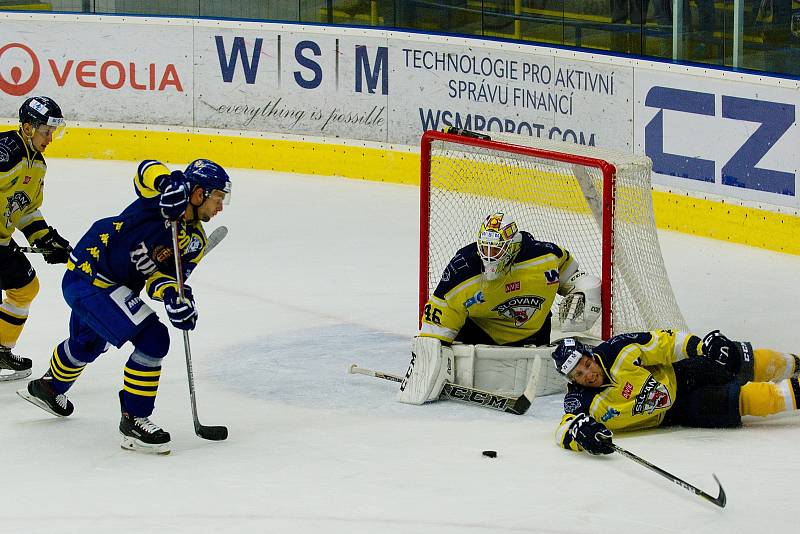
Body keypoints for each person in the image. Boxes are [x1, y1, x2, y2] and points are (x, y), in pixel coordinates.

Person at [17, 158, 231, 455]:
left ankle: (49, 388)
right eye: (218, 198)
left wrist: (176, 299)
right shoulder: (163, 197)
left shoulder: (193, 240)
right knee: (153, 338)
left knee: (88, 343)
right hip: (91, 275)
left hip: (106, 285)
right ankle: (134, 419)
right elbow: (147, 169)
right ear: (198, 193)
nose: (220, 207)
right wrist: (167, 184)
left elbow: (164, 278)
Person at [398, 211, 601, 405]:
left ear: (512, 246)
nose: (489, 256)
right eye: (484, 248)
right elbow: (436, 323)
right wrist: (428, 361)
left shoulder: (546, 256)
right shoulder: (462, 271)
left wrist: (584, 292)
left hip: (535, 334)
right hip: (481, 334)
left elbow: (573, 277)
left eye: (495, 249)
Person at [550, 330, 800, 455]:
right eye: (578, 375)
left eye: (585, 365)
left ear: (589, 354)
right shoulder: (581, 400)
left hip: (683, 373)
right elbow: (565, 427)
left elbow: (664, 342)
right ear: (572, 380)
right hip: (682, 410)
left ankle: (795, 363)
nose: (588, 374)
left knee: (740, 361)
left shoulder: (618, 349)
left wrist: (702, 345)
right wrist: (578, 436)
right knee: (748, 399)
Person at [0, 96, 71, 382]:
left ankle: (1, 348)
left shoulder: (37, 165)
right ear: (28, 128)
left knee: (25, 287)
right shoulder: (6, 152)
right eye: (46, 132)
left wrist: (47, 239)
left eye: (53, 132)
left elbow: (26, 209)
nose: (50, 139)